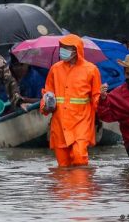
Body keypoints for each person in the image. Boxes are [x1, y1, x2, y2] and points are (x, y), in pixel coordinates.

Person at [40, 34, 101, 167]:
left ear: (76, 50)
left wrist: (103, 98)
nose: (63, 51)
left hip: (81, 122)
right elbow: (47, 93)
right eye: (62, 47)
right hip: (59, 123)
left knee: (80, 158)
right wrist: (44, 106)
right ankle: (65, 188)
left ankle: (81, 187)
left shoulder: (91, 70)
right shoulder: (55, 69)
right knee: (63, 166)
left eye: (67, 48)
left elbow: (96, 97)